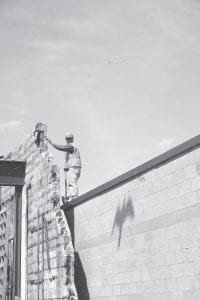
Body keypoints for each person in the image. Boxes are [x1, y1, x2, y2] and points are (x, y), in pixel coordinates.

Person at [46, 133, 81, 201]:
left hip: (73, 167)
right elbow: (71, 157)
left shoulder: (71, 146)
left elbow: (61, 147)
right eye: (67, 139)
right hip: (76, 166)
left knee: (72, 183)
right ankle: (71, 196)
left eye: (68, 138)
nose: (67, 140)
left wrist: (51, 143)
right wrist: (66, 166)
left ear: (72, 139)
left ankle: (73, 198)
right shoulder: (73, 147)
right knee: (73, 182)